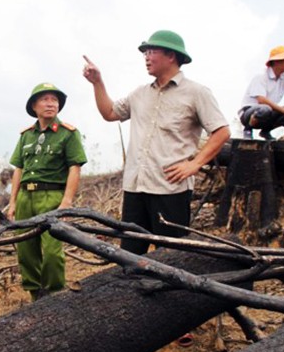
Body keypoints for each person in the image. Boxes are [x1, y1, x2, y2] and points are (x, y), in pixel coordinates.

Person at [83, 30, 230, 255]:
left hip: (170, 190)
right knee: (130, 257)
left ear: (171, 56)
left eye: (152, 52)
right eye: (145, 53)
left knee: (172, 257)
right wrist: (97, 82)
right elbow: (110, 113)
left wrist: (194, 164)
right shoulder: (140, 94)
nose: (146, 57)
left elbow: (221, 131)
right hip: (135, 187)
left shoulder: (196, 93)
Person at [7, 83, 87, 301]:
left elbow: (75, 167)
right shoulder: (26, 135)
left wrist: (67, 201)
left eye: (55, 99)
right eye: (45, 99)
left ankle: (54, 295)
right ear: (34, 106)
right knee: (26, 250)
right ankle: (36, 295)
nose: (51, 103)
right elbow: (19, 169)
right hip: (26, 197)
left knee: (52, 252)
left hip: (52, 196)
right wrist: (13, 202)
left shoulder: (68, 133)